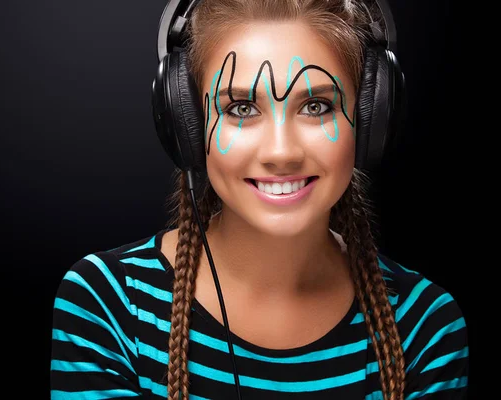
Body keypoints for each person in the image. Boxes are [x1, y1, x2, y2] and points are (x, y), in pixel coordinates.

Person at [49, 0, 469, 399]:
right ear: (185, 124)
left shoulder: (424, 326)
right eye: (242, 109)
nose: (281, 152)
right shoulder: (108, 303)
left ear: (370, 121)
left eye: (317, 105)